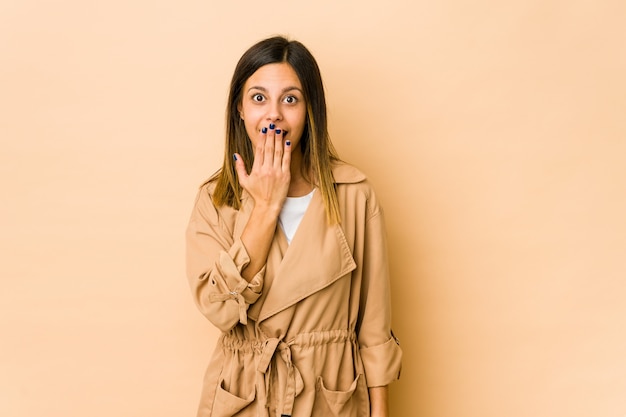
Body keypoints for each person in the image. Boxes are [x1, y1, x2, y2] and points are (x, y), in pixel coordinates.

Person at [185, 36, 402, 417]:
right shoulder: (216, 200)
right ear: (239, 108)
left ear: (309, 108)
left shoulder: (353, 195)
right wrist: (267, 205)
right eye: (258, 98)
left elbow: (374, 328)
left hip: (327, 396)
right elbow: (219, 310)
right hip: (245, 396)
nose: (274, 115)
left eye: (290, 99)